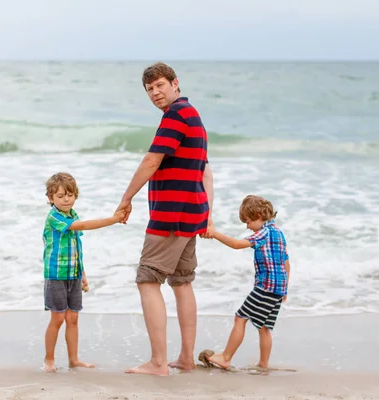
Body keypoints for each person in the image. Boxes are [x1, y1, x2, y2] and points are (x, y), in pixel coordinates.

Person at [116, 62, 214, 376]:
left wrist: (126, 197)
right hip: (192, 211)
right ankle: (185, 358)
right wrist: (206, 213)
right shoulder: (194, 116)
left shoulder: (176, 116)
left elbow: (151, 160)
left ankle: (159, 363)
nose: (156, 93)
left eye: (160, 85)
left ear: (175, 83)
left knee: (147, 279)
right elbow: (205, 170)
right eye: (149, 89)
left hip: (171, 213)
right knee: (182, 282)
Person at [42, 172, 125, 372]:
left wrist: (83, 274)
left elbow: (76, 246)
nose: (65, 199)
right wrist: (112, 220)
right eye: (60, 196)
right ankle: (49, 360)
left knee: (73, 318)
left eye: (69, 195)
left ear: (75, 195)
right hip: (56, 274)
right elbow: (84, 226)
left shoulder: (73, 214)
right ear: (50, 198)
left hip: (74, 274)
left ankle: (74, 359)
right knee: (58, 318)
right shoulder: (54, 217)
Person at [200, 195, 290, 370]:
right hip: (278, 289)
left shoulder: (263, 232)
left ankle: (226, 357)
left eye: (248, 222)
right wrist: (285, 289)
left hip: (265, 286)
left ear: (257, 215)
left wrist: (215, 234)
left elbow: (236, 244)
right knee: (264, 326)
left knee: (240, 317)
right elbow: (286, 264)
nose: (248, 227)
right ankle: (263, 364)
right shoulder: (279, 233)